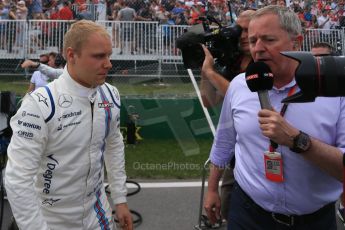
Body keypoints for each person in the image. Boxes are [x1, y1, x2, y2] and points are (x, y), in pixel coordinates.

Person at [204, 5, 344, 230]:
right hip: (247, 213)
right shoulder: (240, 85)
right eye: (252, 41)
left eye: (268, 40)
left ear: (297, 42)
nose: (257, 49)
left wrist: (298, 141)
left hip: (314, 220)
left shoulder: (334, 90)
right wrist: (212, 190)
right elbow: (224, 142)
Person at [5, 20, 133, 230]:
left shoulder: (110, 94)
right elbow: (17, 179)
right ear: (71, 55)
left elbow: (114, 144)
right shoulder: (39, 104)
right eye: (99, 56)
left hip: (98, 215)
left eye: (109, 55)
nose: (108, 64)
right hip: (50, 221)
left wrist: (119, 198)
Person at [200, 9, 255, 222]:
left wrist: (213, 74)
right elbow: (209, 101)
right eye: (238, 29)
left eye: (248, 29)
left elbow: (244, 98)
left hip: (258, 153)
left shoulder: (264, 63)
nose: (242, 35)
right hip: (234, 154)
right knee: (230, 212)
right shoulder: (233, 60)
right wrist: (206, 70)